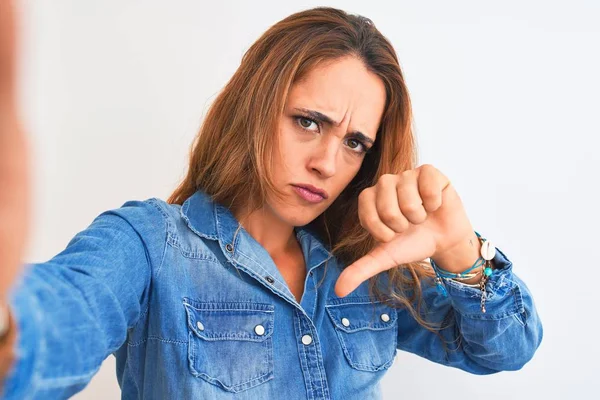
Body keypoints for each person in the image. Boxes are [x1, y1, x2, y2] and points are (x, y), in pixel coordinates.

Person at [0, 3, 543, 399]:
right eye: (308, 122)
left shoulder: (364, 266)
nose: (328, 164)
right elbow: (61, 321)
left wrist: (460, 250)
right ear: (255, 109)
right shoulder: (148, 244)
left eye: (355, 143)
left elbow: (505, 349)